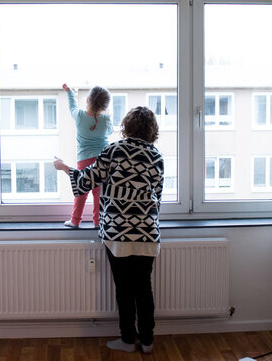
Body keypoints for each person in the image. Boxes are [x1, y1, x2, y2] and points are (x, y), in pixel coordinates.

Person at [53, 106, 163, 354]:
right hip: (147, 233)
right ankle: (147, 341)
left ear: (127, 126)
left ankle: (127, 340)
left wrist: (65, 167)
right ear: (151, 130)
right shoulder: (156, 156)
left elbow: (85, 183)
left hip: (118, 234)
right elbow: (157, 196)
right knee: (144, 288)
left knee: (125, 289)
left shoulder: (114, 150)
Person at [61, 83, 113, 228]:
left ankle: (75, 220)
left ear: (88, 100)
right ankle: (97, 222)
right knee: (99, 193)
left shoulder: (79, 116)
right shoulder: (106, 119)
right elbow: (109, 132)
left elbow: (72, 107)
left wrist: (70, 93)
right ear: (105, 106)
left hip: (84, 159)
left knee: (81, 191)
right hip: (103, 160)